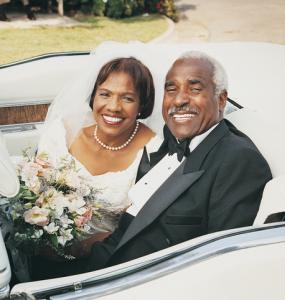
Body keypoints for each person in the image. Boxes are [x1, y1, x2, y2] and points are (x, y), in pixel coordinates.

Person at [35, 50, 272, 279]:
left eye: (195, 89)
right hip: (96, 260)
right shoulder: (172, 140)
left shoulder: (238, 160)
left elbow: (223, 264)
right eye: (171, 89)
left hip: (129, 281)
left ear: (221, 99)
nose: (179, 99)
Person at [28, 56, 162, 280]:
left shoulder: (154, 151)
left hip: (107, 264)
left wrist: (82, 249)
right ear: (93, 95)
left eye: (127, 98)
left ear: (142, 104)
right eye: (105, 94)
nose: (113, 107)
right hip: (41, 249)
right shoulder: (64, 130)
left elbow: (144, 227)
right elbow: (33, 187)